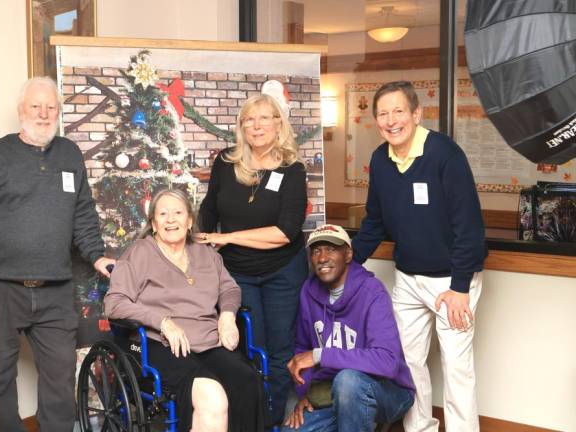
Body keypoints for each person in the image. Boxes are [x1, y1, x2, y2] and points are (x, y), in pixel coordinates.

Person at [0, 76, 114, 432]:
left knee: (59, 379)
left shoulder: (69, 154)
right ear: (20, 111)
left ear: (58, 112)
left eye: (51, 107)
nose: (43, 114)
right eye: (35, 106)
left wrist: (97, 256)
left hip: (55, 289)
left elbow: (82, 214)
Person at [351, 81, 487, 432]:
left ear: (416, 114)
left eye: (398, 111)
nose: (391, 120)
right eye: (382, 113)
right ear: (376, 121)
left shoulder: (445, 154)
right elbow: (375, 222)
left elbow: (469, 226)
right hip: (408, 279)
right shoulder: (380, 160)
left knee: (456, 366)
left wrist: (459, 288)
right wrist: (348, 264)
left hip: (453, 280)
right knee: (408, 364)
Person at [104, 188, 270, 432]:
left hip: (208, 342)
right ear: (153, 223)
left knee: (246, 381)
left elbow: (230, 289)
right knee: (212, 397)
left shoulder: (206, 254)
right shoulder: (139, 253)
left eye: (178, 212)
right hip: (159, 345)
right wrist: (163, 322)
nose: (171, 219)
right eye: (163, 214)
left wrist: (226, 315)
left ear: (190, 220)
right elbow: (114, 303)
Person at [197, 92, 309, 425]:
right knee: (247, 349)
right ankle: (248, 418)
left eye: (264, 118)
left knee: (278, 352)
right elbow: (209, 209)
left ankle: (271, 420)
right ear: (241, 126)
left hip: (282, 272)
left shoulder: (292, 170)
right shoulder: (226, 162)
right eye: (249, 119)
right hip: (237, 274)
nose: (257, 125)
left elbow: (286, 232)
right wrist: (204, 239)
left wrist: (227, 237)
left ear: (279, 124)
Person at [283, 224, 415, 432]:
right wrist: (306, 394)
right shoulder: (308, 292)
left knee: (349, 382)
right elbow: (302, 349)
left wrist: (320, 355)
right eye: (316, 251)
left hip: (388, 391)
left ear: (348, 254)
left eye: (331, 249)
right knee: (292, 429)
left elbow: (388, 362)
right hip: (333, 390)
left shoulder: (372, 291)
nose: (323, 257)